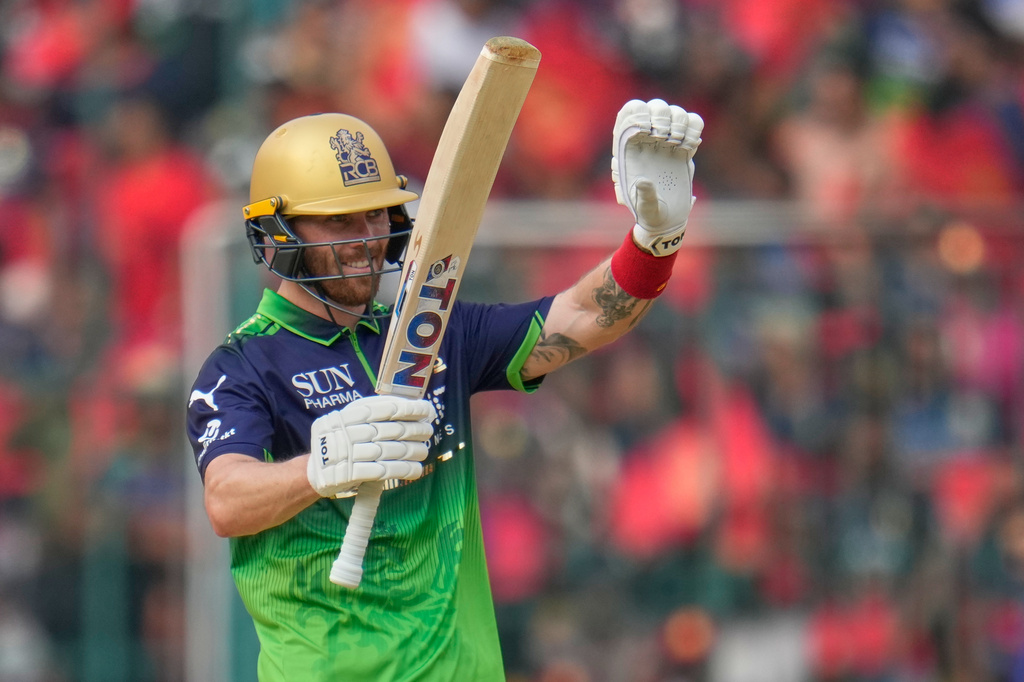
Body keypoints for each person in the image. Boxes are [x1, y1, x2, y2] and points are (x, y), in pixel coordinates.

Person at [186, 99, 703, 681]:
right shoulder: (242, 366)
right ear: (276, 233)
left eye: (376, 216)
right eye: (339, 222)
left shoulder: (430, 331)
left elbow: (586, 318)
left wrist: (655, 239)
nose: (366, 240)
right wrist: (318, 468)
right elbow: (226, 500)